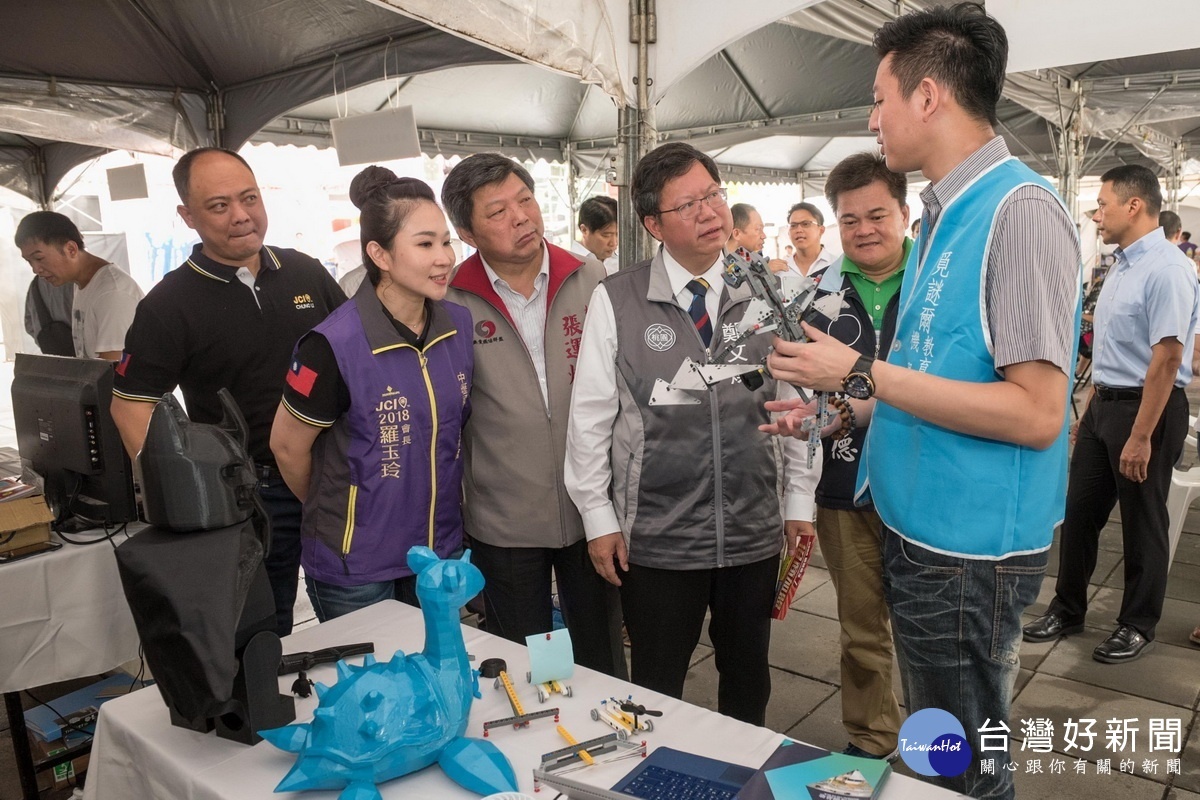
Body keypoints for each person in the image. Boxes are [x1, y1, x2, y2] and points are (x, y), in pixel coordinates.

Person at [765, 5, 1080, 798]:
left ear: (929, 96)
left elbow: (1038, 413)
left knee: (965, 763)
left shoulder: (1020, 212)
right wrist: (841, 409)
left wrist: (859, 373)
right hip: (924, 528)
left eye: (880, 98)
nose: (873, 119)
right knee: (940, 742)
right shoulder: (947, 211)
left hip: (969, 548)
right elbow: (943, 377)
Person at [564, 142, 812, 726]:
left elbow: (796, 406)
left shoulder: (767, 293)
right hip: (659, 537)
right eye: (688, 205)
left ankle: (745, 778)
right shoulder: (618, 299)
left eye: (714, 196)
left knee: (749, 676)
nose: (710, 213)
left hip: (753, 530)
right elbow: (590, 418)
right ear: (653, 223)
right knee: (656, 682)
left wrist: (799, 501)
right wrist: (598, 520)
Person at [111, 147, 345, 637]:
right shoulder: (169, 305)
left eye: (250, 198)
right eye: (219, 206)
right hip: (251, 494)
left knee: (356, 616)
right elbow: (131, 406)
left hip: (335, 476)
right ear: (187, 215)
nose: (241, 216)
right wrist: (192, 498)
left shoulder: (305, 271)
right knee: (265, 632)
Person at [442, 153, 626, 678]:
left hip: (591, 506)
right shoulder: (452, 299)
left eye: (525, 199)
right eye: (497, 211)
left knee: (600, 652)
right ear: (467, 231)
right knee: (528, 660)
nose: (521, 217)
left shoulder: (588, 275)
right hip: (503, 518)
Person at [269, 168, 472, 621]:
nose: (443, 258)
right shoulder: (332, 344)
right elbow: (286, 447)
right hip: (357, 566)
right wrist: (348, 511)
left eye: (445, 242)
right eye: (424, 244)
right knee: (372, 689)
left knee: (440, 680)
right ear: (379, 254)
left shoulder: (457, 327)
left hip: (438, 555)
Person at [1024, 165, 1199, 664]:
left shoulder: (1167, 268)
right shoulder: (1121, 264)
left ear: (1134, 205)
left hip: (1148, 410)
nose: (1096, 214)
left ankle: (1137, 623)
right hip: (1107, 406)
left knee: (1143, 521)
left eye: (1102, 204)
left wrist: (1142, 436)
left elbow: (1166, 358)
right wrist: (1091, 411)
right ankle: (1068, 607)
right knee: (1079, 512)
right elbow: (1114, 350)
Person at [779, 152, 909, 761]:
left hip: (929, 486)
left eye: (877, 214)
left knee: (935, 630)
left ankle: (942, 742)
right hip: (845, 484)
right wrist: (809, 422)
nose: (864, 229)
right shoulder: (815, 300)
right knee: (861, 629)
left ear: (904, 214)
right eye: (849, 218)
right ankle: (873, 737)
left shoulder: (938, 287)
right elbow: (807, 399)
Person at [15, 211, 142, 360]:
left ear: (71, 249)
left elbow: (113, 372)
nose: (35, 269)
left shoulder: (112, 293)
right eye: (29, 261)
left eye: (39, 258)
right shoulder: (82, 284)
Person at [728, 202, 788, 272]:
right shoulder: (716, 264)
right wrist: (764, 274)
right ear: (737, 234)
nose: (764, 236)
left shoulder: (750, 262)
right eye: (758, 229)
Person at [24, 276, 75, 356]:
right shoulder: (75, 281)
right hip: (84, 355)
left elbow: (29, 325)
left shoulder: (35, 284)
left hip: (52, 354)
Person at [785, 201, 834, 277]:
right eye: (793, 225)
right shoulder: (781, 270)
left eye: (806, 224)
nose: (799, 230)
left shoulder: (835, 265)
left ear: (821, 230)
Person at [572, 195, 619, 274]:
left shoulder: (621, 263)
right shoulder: (570, 264)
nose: (614, 243)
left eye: (617, 235)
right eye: (606, 235)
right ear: (584, 230)